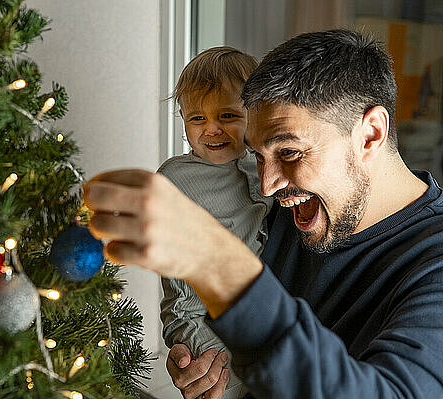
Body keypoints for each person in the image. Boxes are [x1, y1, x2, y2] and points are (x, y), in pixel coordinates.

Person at [84, 29, 443, 398]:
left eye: (289, 152)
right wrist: (196, 353)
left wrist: (220, 264)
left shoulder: (433, 265)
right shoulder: (288, 207)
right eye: (256, 155)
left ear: (370, 133)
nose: (268, 185)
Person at [158, 46, 272, 399]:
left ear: (252, 115)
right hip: (205, 322)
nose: (211, 130)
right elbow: (180, 293)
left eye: (227, 115)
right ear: (181, 117)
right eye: (196, 119)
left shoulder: (267, 164)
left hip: (273, 317)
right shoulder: (175, 180)